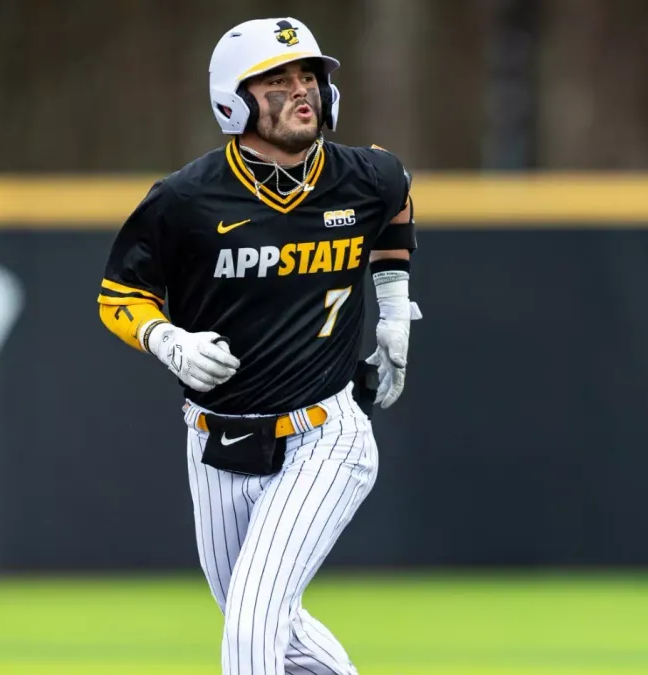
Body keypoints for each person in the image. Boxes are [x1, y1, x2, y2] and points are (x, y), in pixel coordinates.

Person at [96, 16, 421, 674]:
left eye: (309, 77)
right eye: (277, 81)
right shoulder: (185, 200)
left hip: (324, 434)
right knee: (278, 629)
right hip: (215, 443)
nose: (302, 90)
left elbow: (398, 198)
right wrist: (166, 339)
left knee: (251, 628)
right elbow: (116, 296)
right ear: (232, 101)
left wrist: (392, 308)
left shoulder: (365, 175)